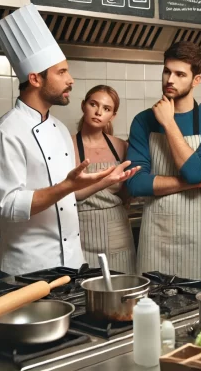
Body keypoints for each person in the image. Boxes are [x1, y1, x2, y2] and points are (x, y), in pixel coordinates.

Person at [0, 4, 137, 275]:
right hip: (29, 269)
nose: (70, 80)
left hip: (72, 265)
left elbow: (68, 194)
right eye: (61, 72)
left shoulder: (60, 129)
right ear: (35, 78)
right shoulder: (7, 130)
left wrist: (104, 182)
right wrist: (65, 187)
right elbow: (8, 205)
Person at [126, 41, 201, 285]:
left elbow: (194, 172)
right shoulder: (143, 121)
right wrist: (193, 185)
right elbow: (135, 183)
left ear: (196, 80)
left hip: (200, 238)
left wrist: (169, 123)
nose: (170, 79)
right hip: (156, 236)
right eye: (167, 71)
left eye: (180, 74)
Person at [73, 85, 139, 274]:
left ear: (113, 115)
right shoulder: (65, 144)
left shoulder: (121, 146)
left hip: (117, 230)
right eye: (93, 104)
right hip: (80, 231)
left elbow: (127, 191)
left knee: (122, 293)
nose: (98, 112)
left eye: (106, 109)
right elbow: (63, 193)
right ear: (83, 105)